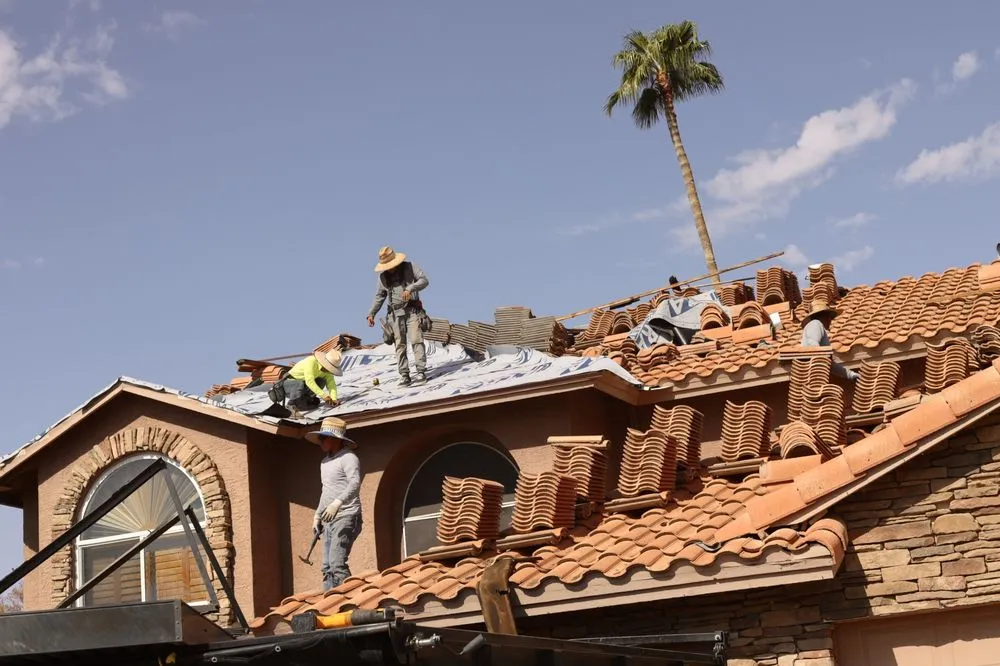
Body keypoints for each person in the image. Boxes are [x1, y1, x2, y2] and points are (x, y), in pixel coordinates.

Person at [305, 416, 362, 591]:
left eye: (323, 437)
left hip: (347, 515)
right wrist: (317, 515)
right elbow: (326, 490)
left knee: (337, 564)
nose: (320, 441)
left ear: (335, 439)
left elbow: (355, 482)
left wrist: (338, 503)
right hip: (329, 519)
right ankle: (330, 602)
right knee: (327, 567)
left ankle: (349, 599)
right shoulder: (325, 463)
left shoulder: (349, 458)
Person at [366, 246, 430, 386]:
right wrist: (372, 313)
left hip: (412, 310)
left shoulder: (409, 267)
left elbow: (424, 280)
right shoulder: (383, 277)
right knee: (399, 345)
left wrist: (410, 288)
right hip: (395, 315)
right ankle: (404, 375)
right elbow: (379, 296)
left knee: (416, 340)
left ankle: (421, 371)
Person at [800, 300, 859, 381]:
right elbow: (812, 347)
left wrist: (851, 375)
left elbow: (829, 364)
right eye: (830, 317)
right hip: (812, 374)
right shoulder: (815, 324)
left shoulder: (817, 327)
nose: (830, 321)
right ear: (825, 316)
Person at [274, 349, 343, 416]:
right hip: (289, 386)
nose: (329, 370)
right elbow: (309, 382)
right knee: (299, 383)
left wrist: (333, 399)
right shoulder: (311, 361)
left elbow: (331, 384)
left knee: (321, 382)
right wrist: (324, 396)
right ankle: (290, 405)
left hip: (303, 389)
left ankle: (304, 401)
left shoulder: (327, 371)